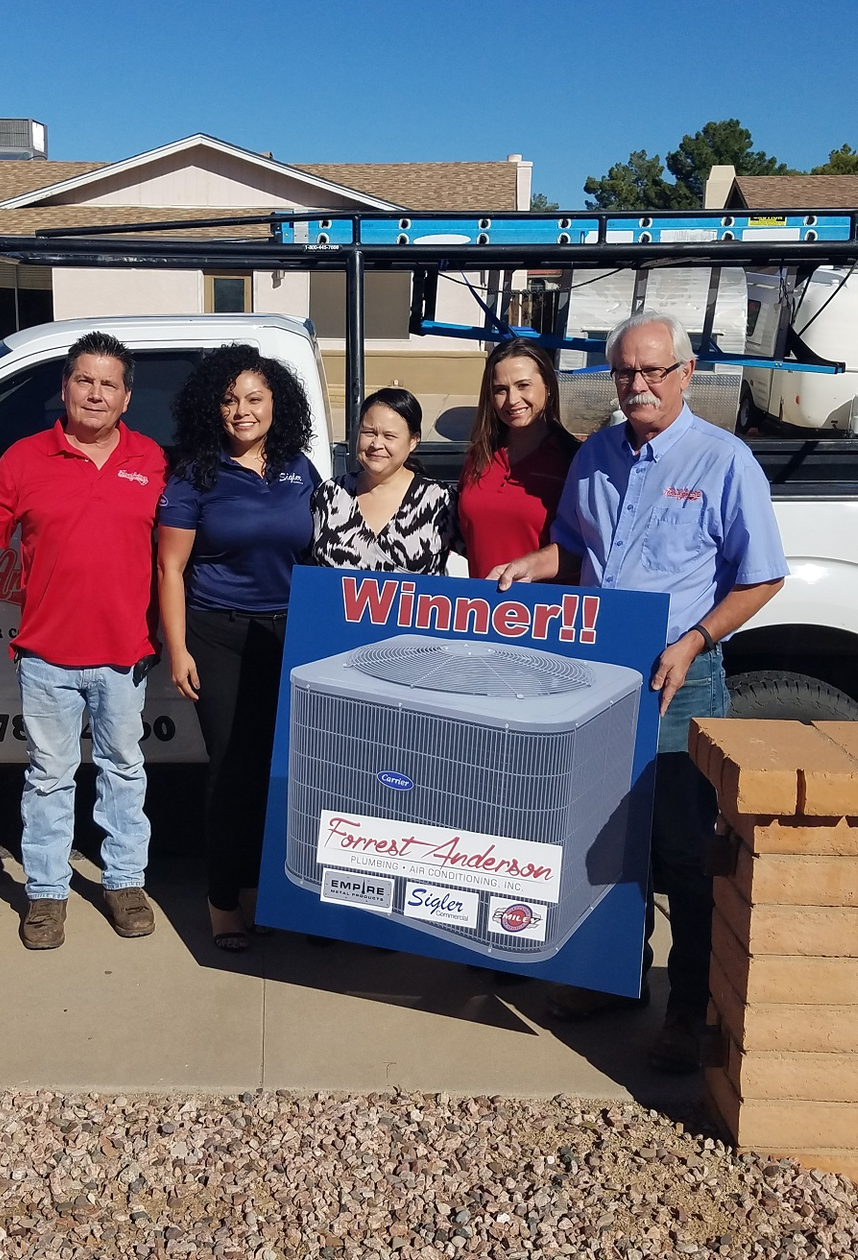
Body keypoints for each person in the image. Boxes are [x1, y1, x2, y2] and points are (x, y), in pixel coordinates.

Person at [490, 308, 787, 1071]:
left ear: (686, 374)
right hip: (599, 676)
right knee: (603, 838)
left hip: (675, 682)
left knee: (684, 854)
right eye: (626, 371)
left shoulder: (723, 462)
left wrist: (695, 641)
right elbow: (575, 546)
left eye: (655, 370)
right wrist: (534, 566)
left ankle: (689, 1008)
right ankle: (615, 980)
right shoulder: (596, 457)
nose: (639, 384)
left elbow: (763, 577)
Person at [0, 332, 164, 952]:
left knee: (124, 772)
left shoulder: (152, 460)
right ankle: (47, 895)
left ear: (126, 397)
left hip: (124, 653)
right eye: (84, 380)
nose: (95, 393)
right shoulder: (24, 458)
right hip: (46, 656)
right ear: (64, 387)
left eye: (109, 383)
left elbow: (178, 551)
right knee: (49, 778)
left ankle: (125, 883)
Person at [156, 345, 320, 953]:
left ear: (277, 402)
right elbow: (169, 570)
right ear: (211, 407)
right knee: (231, 769)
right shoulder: (195, 475)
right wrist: (178, 649)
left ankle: (262, 892)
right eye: (228, 399)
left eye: (254, 398)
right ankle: (224, 901)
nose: (242, 411)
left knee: (280, 770)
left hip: (289, 635)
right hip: (217, 634)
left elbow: (322, 548)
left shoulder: (297, 468)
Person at [457, 338, 579, 578]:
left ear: (548, 386)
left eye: (523, 385)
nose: (512, 400)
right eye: (500, 390)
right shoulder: (478, 457)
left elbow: (590, 552)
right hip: (480, 608)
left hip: (545, 611)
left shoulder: (574, 460)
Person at [310, 387, 458, 574]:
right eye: (369, 433)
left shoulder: (441, 501)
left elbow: (487, 552)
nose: (376, 444)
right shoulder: (329, 493)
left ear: (413, 441)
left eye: (389, 436)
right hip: (334, 603)